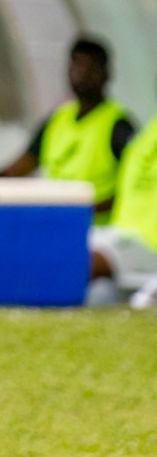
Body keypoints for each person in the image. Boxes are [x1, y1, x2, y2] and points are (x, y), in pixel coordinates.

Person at [0, 37, 136, 224]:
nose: (82, 75)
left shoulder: (118, 125)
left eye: (90, 68)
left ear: (106, 73)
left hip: (98, 231)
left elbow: (135, 185)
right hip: (56, 223)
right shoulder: (57, 118)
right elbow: (21, 167)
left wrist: (85, 210)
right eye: (76, 66)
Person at [89, 105, 157, 308]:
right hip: (120, 234)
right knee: (63, 246)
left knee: (76, 261)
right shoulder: (146, 134)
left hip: (148, 244)